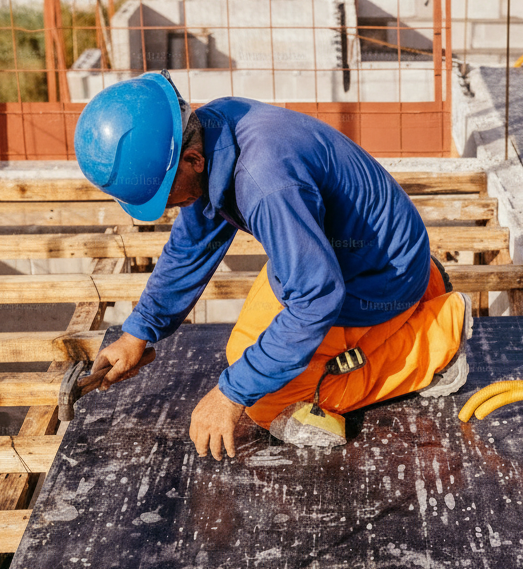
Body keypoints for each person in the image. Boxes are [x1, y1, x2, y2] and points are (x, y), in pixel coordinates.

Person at [73, 72, 472, 460]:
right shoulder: (214, 130)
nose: (165, 208)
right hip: (339, 256)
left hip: (376, 280)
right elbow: (192, 244)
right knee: (242, 354)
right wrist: (138, 333)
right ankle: (427, 286)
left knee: (268, 400)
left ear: (192, 159)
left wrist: (230, 395)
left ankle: (438, 337)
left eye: (164, 195)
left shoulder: (266, 184)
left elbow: (315, 301)